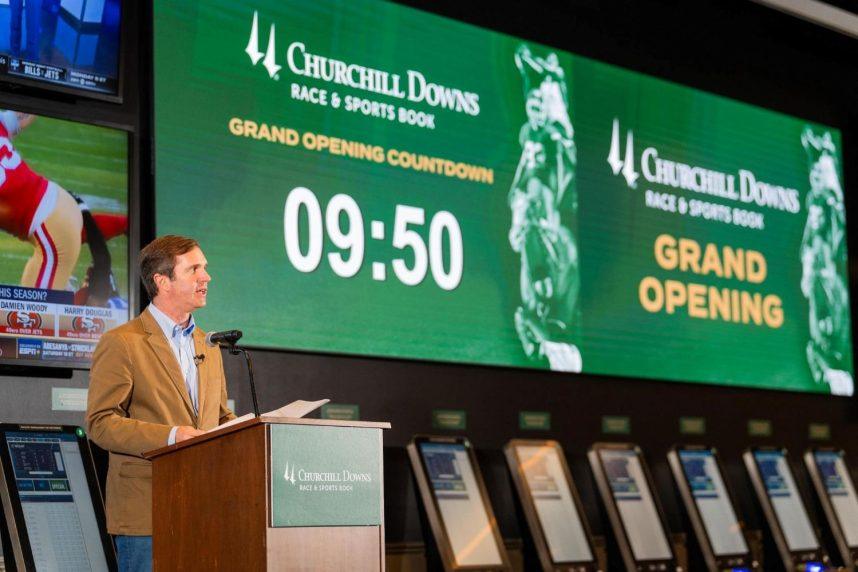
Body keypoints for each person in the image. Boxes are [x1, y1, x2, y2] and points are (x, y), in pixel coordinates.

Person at [86, 235, 236, 572]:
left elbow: (219, 416)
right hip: (147, 516)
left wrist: (248, 427)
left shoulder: (208, 344)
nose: (206, 277)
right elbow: (101, 423)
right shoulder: (122, 343)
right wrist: (171, 436)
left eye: (205, 268)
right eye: (194, 268)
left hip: (207, 511)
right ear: (162, 281)